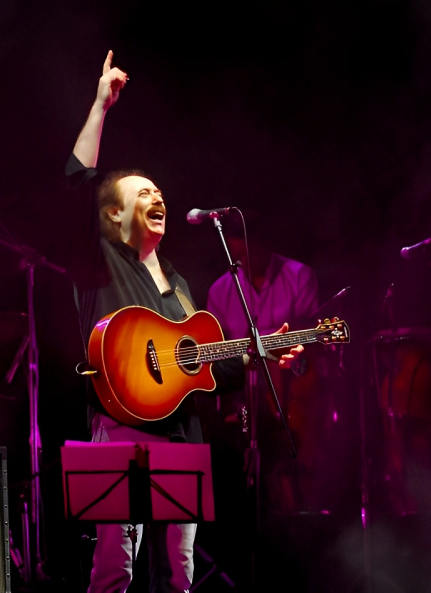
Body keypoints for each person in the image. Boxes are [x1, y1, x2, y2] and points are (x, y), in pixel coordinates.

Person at [65, 51, 304, 593]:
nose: (158, 197)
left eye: (160, 192)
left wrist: (256, 352)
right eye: (142, 192)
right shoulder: (97, 263)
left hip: (180, 434)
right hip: (120, 427)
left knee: (180, 575)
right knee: (114, 571)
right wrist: (101, 107)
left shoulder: (182, 287)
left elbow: (201, 367)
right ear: (112, 215)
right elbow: (78, 183)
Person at [205, 218, 321, 517]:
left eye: (249, 254)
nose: (244, 262)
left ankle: (302, 510)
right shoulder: (219, 290)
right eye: (238, 258)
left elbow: (310, 342)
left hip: (290, 391)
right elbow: (217, 355)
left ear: (264, 245)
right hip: (240, 396)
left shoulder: (299, 275)